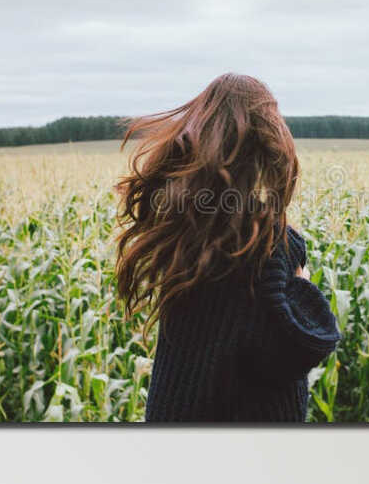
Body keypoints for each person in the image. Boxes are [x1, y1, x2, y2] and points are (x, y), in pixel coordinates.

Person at [113, 74, 340, 423]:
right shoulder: (269, 247)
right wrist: (303, 289)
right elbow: (296, 345)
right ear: (271, 141)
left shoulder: (185, 240)